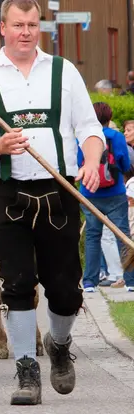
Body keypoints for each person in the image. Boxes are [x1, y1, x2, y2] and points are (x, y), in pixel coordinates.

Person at [0, 0, 104, 406]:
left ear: (40, 27)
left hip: (59, 191)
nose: (26, 31)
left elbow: (89, 128)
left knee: (65, 289)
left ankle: (59, 343)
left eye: (33, 24)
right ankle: (26, 371)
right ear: (2, 28)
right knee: (17, 284)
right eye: (18, 24)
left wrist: (91, 161)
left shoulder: (63, 72)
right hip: (6, 193)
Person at [78, 102, 134, 293]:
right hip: (115, 193)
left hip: (89, 193)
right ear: (109, 118)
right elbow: (125, 163)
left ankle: (89, 282)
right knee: (122, 235)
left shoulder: (84, 137)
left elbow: (79, 162)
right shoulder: (116, 137)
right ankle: (131, 281)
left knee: (93, 236)